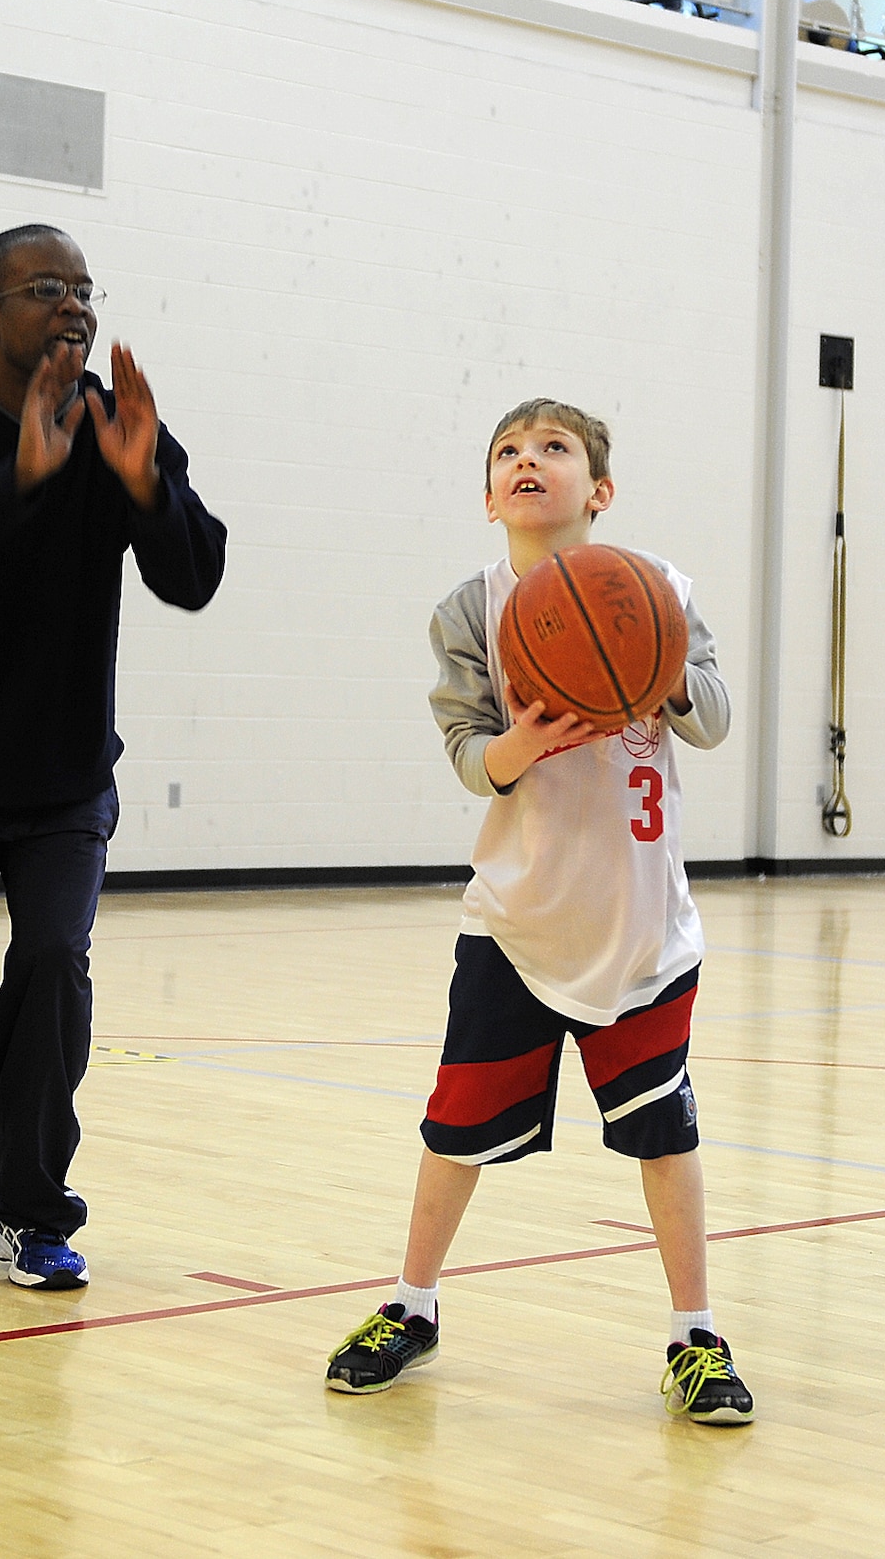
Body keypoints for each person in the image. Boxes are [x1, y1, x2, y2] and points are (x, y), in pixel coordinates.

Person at [322, 399, 753, 1424]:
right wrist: (522, 743)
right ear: (487, 496)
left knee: (664, 1136)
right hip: (514, 924)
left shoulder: (659, 592)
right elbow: (473, 759)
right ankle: (410, 1303)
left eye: (553, 449)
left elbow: (717, 720)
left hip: (639, 928)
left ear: (595, 490)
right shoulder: (468, 613)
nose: (529, 461)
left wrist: (663, 682)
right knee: (453, 1131)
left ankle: (694, 1334)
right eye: (508, 453)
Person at [0, 223, 227, 1292]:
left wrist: (147, 481)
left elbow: (193, 575)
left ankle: (29, 1215)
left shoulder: (120, 428)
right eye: (42, 289)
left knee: (53, 970)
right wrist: (17, 477)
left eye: (81, 288)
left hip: (63, 782)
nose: (70, 305)